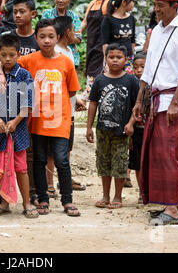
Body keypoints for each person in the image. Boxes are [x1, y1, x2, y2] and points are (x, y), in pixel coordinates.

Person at [0, 19, 81, 217]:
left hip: (60, 121)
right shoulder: (29, 60)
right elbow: (3, 61)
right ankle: (43, 198)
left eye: (51, 36)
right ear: (36, 38)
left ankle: (67, 199)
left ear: (58, 38)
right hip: (36, 121)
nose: (47, 40)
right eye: (42, 36)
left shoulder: (66, 61)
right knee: (39, 160)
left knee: (62, 160)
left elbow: (72, 91)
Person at [133, 0, 178, 225]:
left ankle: (171, 210)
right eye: (155, 5)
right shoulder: (157, 31)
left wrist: (174, 103)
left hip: (173, 101)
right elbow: (148, 70)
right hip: (157, 100)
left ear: (174, 6)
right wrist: (140, 100)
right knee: (158, 153)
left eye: (160, 6)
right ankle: (177, 205)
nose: (156, 10)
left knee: (168, 153)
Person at [0, 34, 38, 218]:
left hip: (18, 131)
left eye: (11, 55)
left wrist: (15, 122)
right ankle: (4, 202)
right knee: (1, 167)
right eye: (3, 55)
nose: (7, 59)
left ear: (18, 54)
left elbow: (28, 105)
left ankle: (27, 202)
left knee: (21, 168)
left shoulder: (24, 75)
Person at [87, 43, 138, 210]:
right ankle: (105, 195)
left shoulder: (131, 81)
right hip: (102, 129)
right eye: (111, 57)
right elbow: (93, 104)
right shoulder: (100, 79)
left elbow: (137, 106)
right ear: (106, 58)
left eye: (119, 57)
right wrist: (89, 127)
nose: (115, 60)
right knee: (103, 162)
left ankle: (117, 196)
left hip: (122, 131)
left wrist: (131, 124)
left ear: (126, 60)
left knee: (120, 163)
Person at [46, 16, 86, 196]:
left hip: (68, 108)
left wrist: (75, 98)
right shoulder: (54, 52)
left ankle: (64, 180)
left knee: (66, 148)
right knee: (51, 151)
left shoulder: (69, 50)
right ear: (67, 32)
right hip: (54, 109)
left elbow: (69, 81)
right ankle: (49, 183)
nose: (75, 33)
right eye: (73, 29)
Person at [81, 0, 110, 105]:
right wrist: (75, 35)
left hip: (102, 41)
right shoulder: (92, 3)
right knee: (90, 67)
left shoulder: (108, 3)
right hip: (91, 41)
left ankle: (91, 95)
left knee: (99, 68)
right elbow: (85, 22)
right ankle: (90, 94)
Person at [42, 0, 82, 69]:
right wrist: (66, 37)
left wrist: (64, 40)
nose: (60, 0)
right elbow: (42, 34)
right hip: (50, 54)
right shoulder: (47, 14)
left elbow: (78, 38)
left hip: (70, 55)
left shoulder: (73, 17)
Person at [125, 52, 146, 198]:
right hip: (137, 129)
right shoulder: (132, 85)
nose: (139, 70)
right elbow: (130, 108)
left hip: (150, 128)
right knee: (138, 162)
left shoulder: (153, 84)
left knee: (149, 162)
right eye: (136, 67)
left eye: (143, 67)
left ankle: (150, 190)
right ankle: (142, 192)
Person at [101, 0, 136, 74]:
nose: (133, 4)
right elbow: (105, 43)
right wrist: (106, 61)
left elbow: (133, 40)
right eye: (132, 1)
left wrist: (131, 58)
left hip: (128, 58)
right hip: (114, 58)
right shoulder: (108, 19)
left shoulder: (131, 18)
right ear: (124, 2)